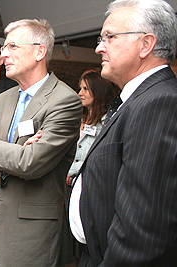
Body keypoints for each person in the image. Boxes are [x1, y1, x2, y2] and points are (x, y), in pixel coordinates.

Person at [69, 0, 177, 266]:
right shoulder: (135, 98)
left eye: (110, 37)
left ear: (146, 44)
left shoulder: (159, 102)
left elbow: (143, 227)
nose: (98, 47)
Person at [0, 19, 82, 267]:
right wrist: (14, 155)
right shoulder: (4, 98)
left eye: (12, 47)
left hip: (30, 228)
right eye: (3, 49)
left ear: (39, 51)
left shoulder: (65, 101)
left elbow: (31, 164)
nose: (3, 56)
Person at [67, 71, 120, 186]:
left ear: (98, 91)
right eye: (80, 88)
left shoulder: (107, 123)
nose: (80, 93)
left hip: (91, 184)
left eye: (85, 89)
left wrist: (72, 170)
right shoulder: (78, 119)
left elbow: (101, 159)